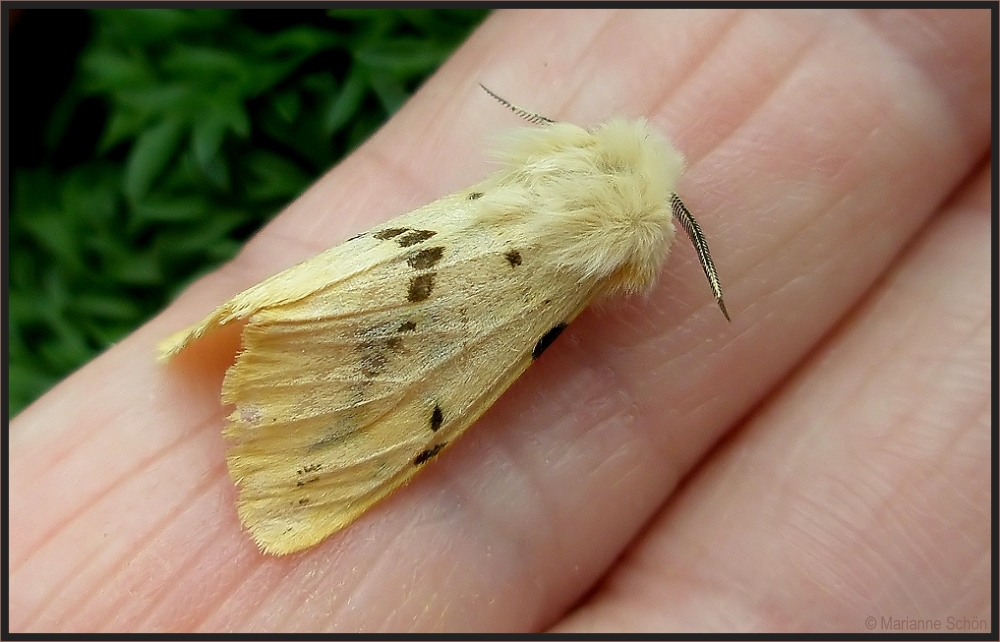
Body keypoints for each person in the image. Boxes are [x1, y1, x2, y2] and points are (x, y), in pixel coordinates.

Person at [9, 9, 991, 633]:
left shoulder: (574, 173)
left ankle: (269, 352)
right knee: (455, 343)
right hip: (473, 303)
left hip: (428, 246)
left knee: (393, 262)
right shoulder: (599, 268)